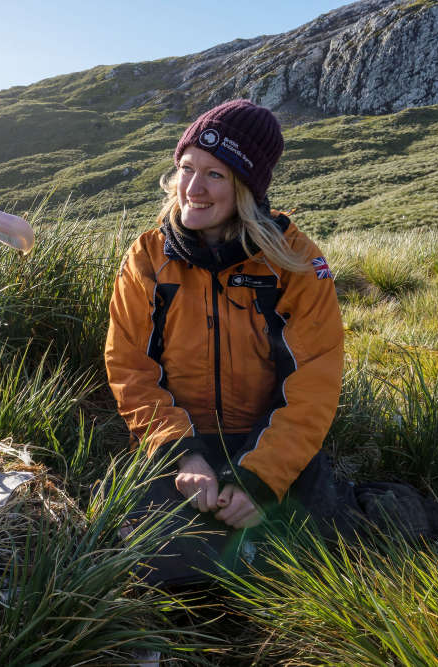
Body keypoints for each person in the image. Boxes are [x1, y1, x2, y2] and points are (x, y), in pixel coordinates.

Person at [104, 99, 346, 538]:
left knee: (303, 561)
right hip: (177, 441)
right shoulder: (147, 258)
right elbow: (130, 367)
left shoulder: (295, 261)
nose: (192, 188)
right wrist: (181, 453)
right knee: (155, 564)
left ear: (247, 188)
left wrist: (260, 478)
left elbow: (315, 381)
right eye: (187, 168)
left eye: (215, 175)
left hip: (268, 441)